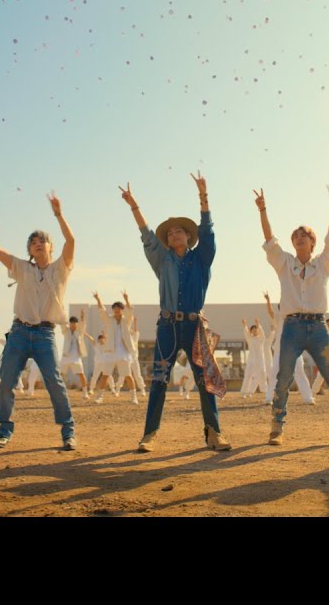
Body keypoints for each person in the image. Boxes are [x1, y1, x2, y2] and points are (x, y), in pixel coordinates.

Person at [120, 172, 228, 452]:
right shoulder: (162, 260)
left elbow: (208, 231)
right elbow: (146, 236)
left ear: (189, 237)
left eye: (179, 230)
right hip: (167, 327)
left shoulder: (202, 258)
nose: (173, 233)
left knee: (204, 380)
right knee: (159, 380)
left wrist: (203, 197)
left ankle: (214, 433)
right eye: (169, 233)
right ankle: (149, 434)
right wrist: (134, 206)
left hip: (194, 328)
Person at [257, 185, 329, 446]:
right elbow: (270, 240)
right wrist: (262, 210)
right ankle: (277, 429)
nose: (298, 238)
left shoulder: (322, 264)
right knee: (283, 378)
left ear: (312, 242)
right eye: (295, 236)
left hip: (318, 329)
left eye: (303, 235)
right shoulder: (284, 263)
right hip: (291, 327)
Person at [0, 193, 79, 450]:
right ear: (30, 251)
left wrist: (58, 214)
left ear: (51, 247)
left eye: (42, 240)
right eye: (33, 242)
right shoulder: (22, 268)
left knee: (54, 382)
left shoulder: (61, 268)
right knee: (7, 381)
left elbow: (71, 240)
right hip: (20, 332)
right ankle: (4, 430)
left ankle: (68, 431)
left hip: (45, 334)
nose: (38, 244)